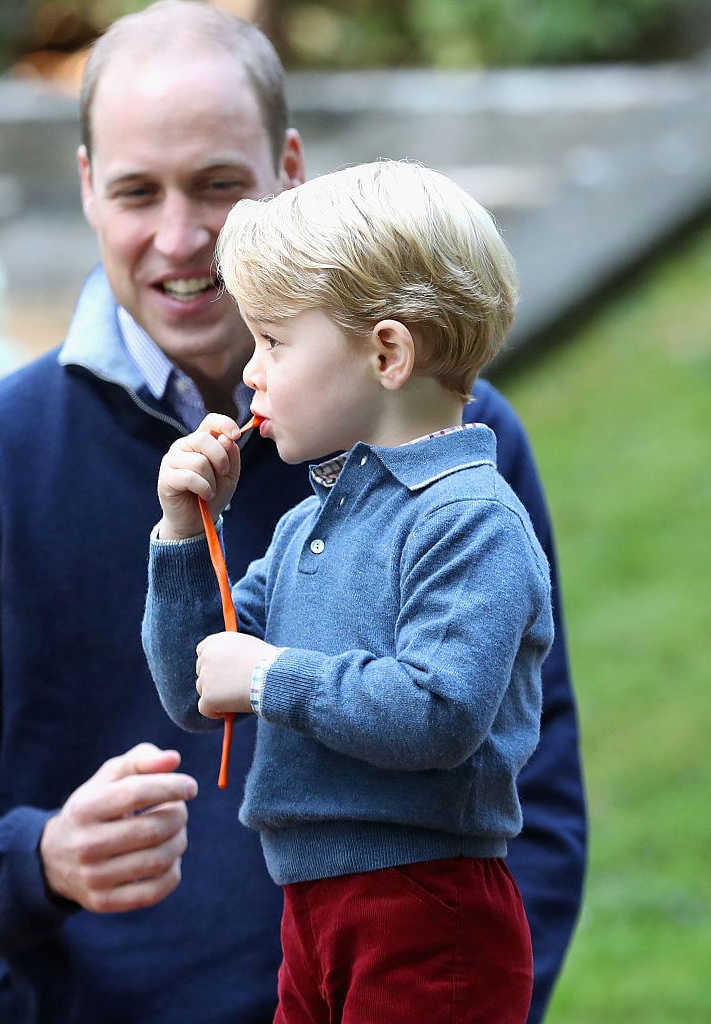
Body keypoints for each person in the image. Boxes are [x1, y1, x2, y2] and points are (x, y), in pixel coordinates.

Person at [0, 3, 584, 1023]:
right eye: (138, 191)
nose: (182, 239)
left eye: (219, 185)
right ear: (87, 185)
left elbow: (529, 783)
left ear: (289, 168)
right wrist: (38, 856)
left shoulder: (452, 447)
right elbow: (188, 680)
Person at [143, 158, 554, 1023]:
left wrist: (268, 676)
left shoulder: (469, 519)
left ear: (387, 352)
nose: (250, 372)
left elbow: (438, 712)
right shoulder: (308, 526)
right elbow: (193, 685)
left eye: (275, 342)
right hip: (311, 907)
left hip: (428, 907)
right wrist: (185, 536)